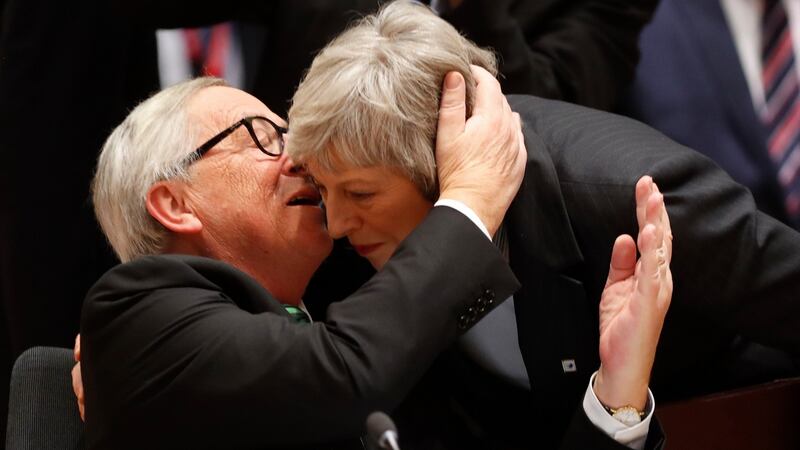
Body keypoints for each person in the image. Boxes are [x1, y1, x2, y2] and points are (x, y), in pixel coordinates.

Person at [285, 1, 800, 448]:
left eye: (360, 193)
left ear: (445, 159)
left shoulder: (638, 201)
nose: (336, 225)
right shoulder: (360, 238)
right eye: (324, 191)